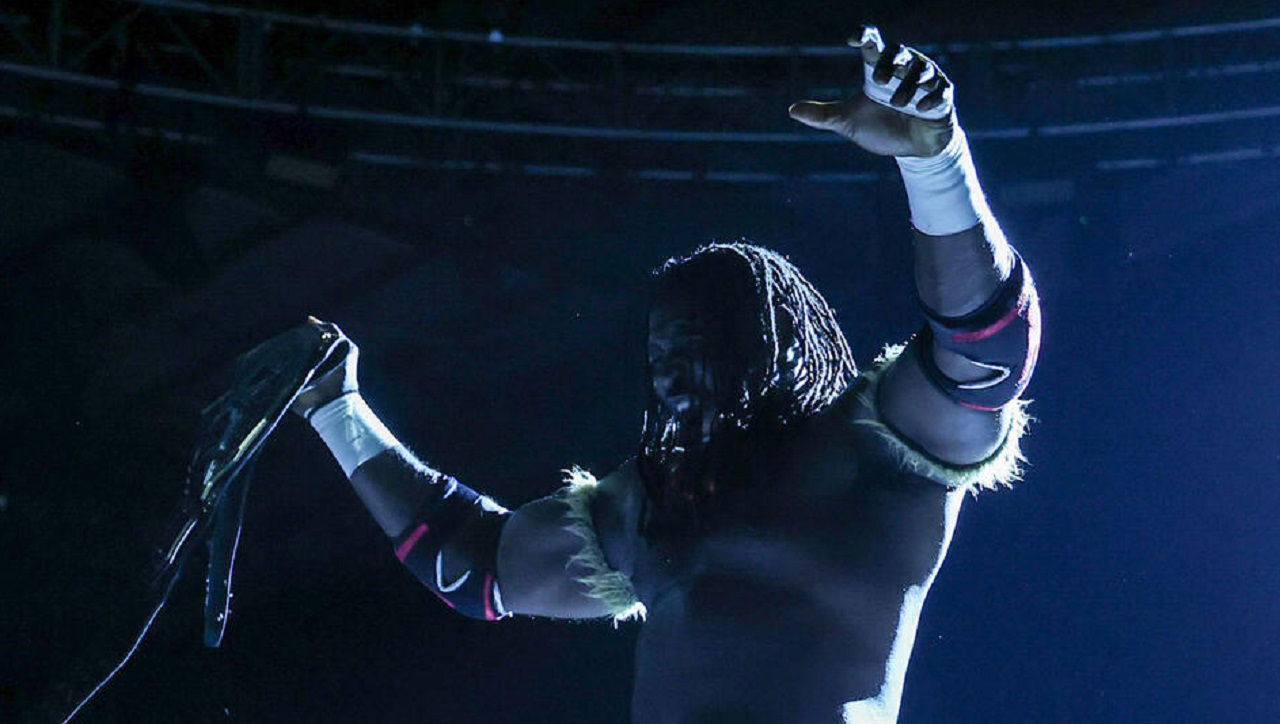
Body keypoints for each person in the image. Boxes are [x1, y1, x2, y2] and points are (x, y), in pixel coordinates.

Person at [289, 26, 1041, 724]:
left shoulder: (868, 451)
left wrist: (936, 163)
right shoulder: (652, 503)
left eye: (692, 351)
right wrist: (335, 405)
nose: (670, 379)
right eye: (658, 359)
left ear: (771, 346)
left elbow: (985, 351)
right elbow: (476, 565)